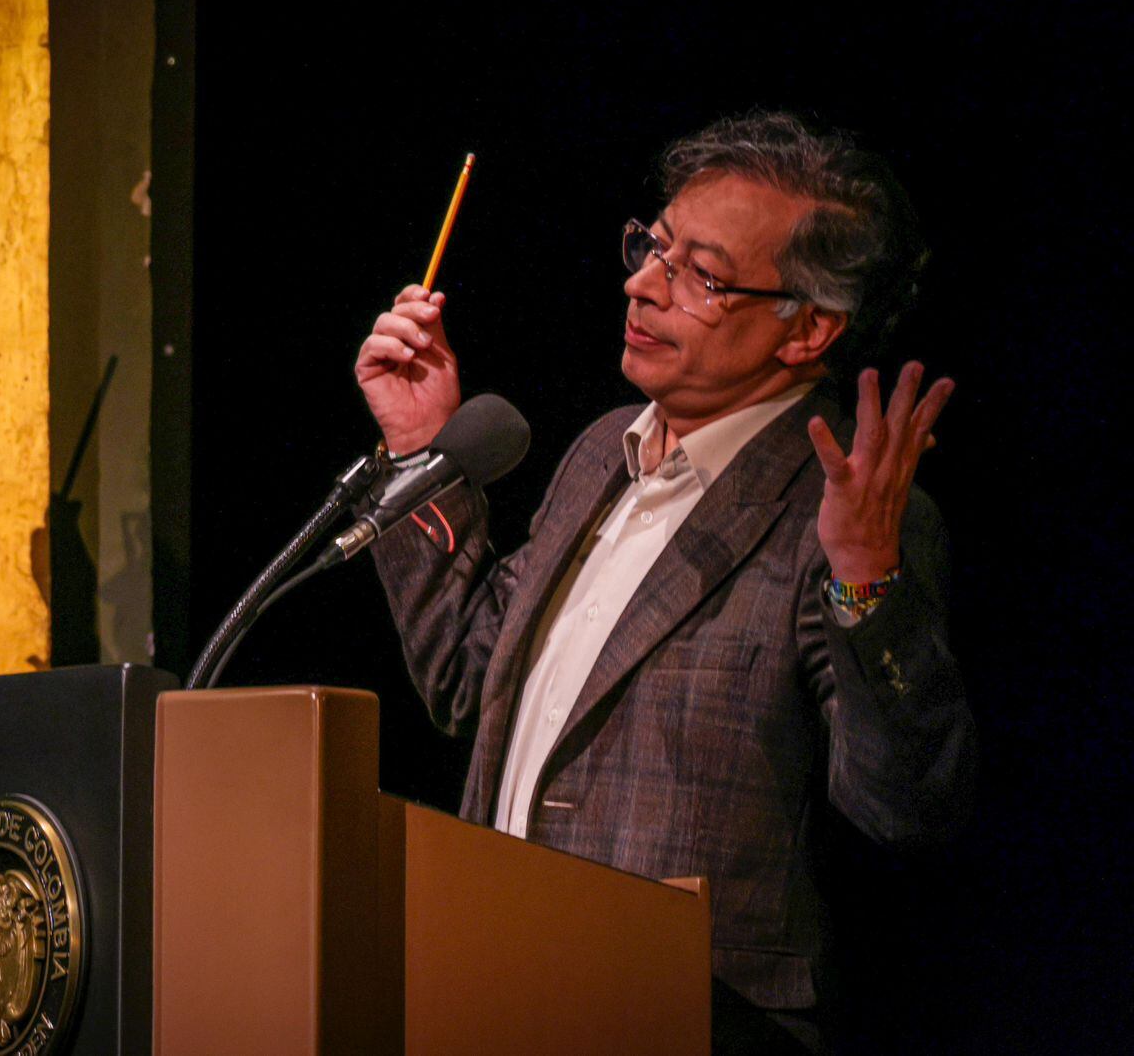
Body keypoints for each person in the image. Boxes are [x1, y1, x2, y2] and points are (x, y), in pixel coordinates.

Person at [353, 111, 975, 1054]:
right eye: (654, 246)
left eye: (702, 275)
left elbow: (906, 805)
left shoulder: (845, 512)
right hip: (496, 989)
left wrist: (865, 583)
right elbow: (465, 678)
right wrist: (418, 452)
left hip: (692, 1021)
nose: (643, 284)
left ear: (806, 329)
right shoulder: (604, 451)